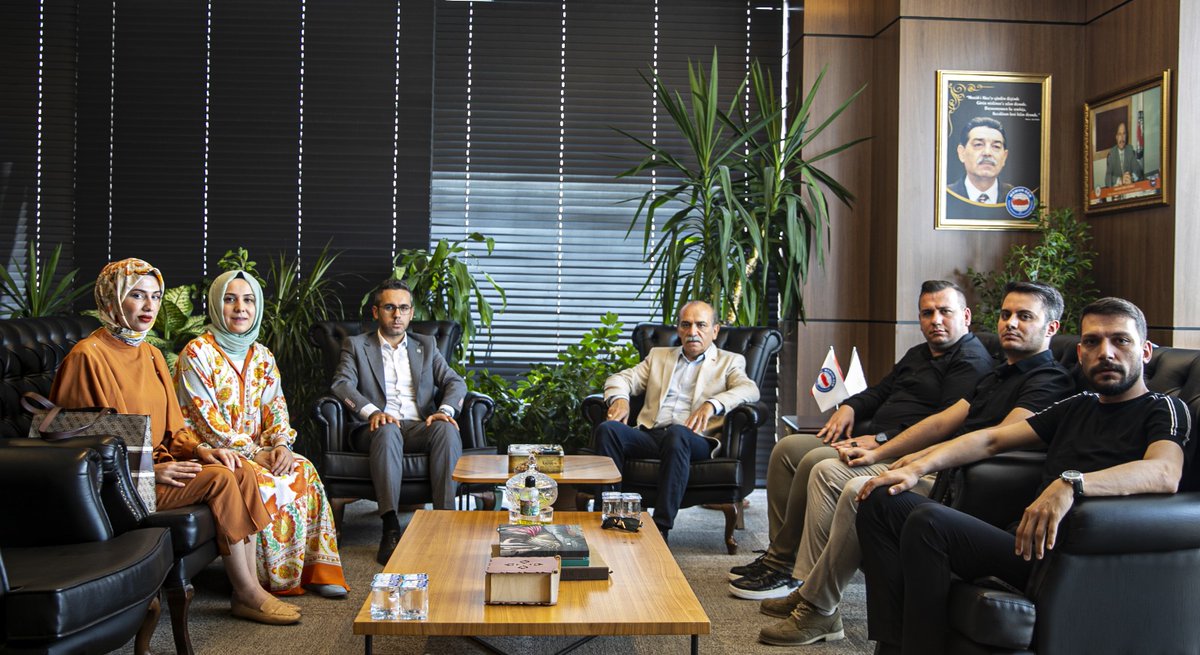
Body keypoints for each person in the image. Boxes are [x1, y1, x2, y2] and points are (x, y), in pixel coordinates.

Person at [856, 297, 1190, 655]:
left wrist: (1072, 484)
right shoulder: (1079, 404)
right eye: (1093, 341)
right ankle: (893, 645)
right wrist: (914, 468)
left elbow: (1164, 471)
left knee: (929, 522)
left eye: (1120, 340)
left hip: (1073, 554)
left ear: (1145, 351)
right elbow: (991, 439)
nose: (1105, 352)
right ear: (1080, 353)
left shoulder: (1164, 407)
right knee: (881, 500)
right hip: (1022, 544)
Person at [752, 281, 1076, 646]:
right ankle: (815, 595)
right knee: (840, 476)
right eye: (1005, 315)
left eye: (1024, 317)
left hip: (973, 485)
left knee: (859, 487)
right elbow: (942, 422)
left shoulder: (1047, 379)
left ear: (1051, 328)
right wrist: (891, 454)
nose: (1010, 323)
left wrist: (911, 461)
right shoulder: (998, 372)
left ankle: (818, 606)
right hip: (945, 469)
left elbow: (995, 440)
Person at [49, 259, 299, 625]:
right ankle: (247, 592)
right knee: (221, 479)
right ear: (111, 298)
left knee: (238, 467)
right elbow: (83, 449)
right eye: (137, 295)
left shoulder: (150, 353)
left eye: (155, 296)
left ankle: (248, 591)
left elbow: (174, 429)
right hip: (123, 484)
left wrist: (203, 450)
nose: (150, 306)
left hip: (157, 469)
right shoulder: (88, 356)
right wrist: (153, 468)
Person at [729, 280, 992, 599]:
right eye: (927, 312)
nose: (935, 319)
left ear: (965, 316)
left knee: (815, 461)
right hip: (870, 440)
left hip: (904, 452)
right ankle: (779, 556)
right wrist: (850, 407)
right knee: (787, 450)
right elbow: (880, 391)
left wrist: (879, 440)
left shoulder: (971, 360)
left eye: (944, 311)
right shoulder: (919, 353)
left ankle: (792, 571)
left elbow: (941, 426)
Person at [176, 270, 348, 598]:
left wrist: (281, 444)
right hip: (214, 453)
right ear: (215, 305)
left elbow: (276, 409)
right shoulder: (196, 354)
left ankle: (316, 570)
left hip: (261, 449)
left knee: (303, 470)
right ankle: (264, 580)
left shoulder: (263, 356)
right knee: (261, 480)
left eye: (248, 300)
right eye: (230, 299)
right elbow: (205, 422)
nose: (240, 308)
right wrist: (256, 454)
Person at [594, 300, 760, 542]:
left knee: (678, 433)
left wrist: (711, 404)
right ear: (679, 329)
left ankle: (660, 528)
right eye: (686, 324)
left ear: (715, 330)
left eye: (701, 325)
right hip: (653, 433)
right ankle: (609, 516)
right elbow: (621, 379)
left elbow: (750, 389)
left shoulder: (730, 361)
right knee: (609, 429)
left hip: (696, 438)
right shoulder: (659, 357)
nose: (693, 332)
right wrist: (620, 399)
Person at [332, 278, 466, 565]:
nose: (397, 315)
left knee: (445, 429)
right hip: (374, 428)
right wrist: (372, 412)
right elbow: (342, 385)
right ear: (376, 312)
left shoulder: (426, 346)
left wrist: (445, 409)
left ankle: (445, 522)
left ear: (411, 312)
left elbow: (455, 382)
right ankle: (390, 526)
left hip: (419, 426)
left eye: (403, 308)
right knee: (387, 427)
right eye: (390, 307)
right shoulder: (356, 345)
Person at [945, 116, 1015, 220]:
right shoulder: (946, 196)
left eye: (996, 146)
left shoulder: (1015, 197)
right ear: (961, 153)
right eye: (978, 144)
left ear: (1004, 157)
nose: (987, 153)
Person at [1105, 121, 1143, 187]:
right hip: (1117, 190)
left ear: (1126, 136)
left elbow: (1138, 170)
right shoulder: (1111, 154)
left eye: (1124, 134)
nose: (1122, 138)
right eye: (1119, 134)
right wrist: (1120, 180)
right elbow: (1107, 179)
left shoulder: (1130, 150)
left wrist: (1132, 178)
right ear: (1116, 137)